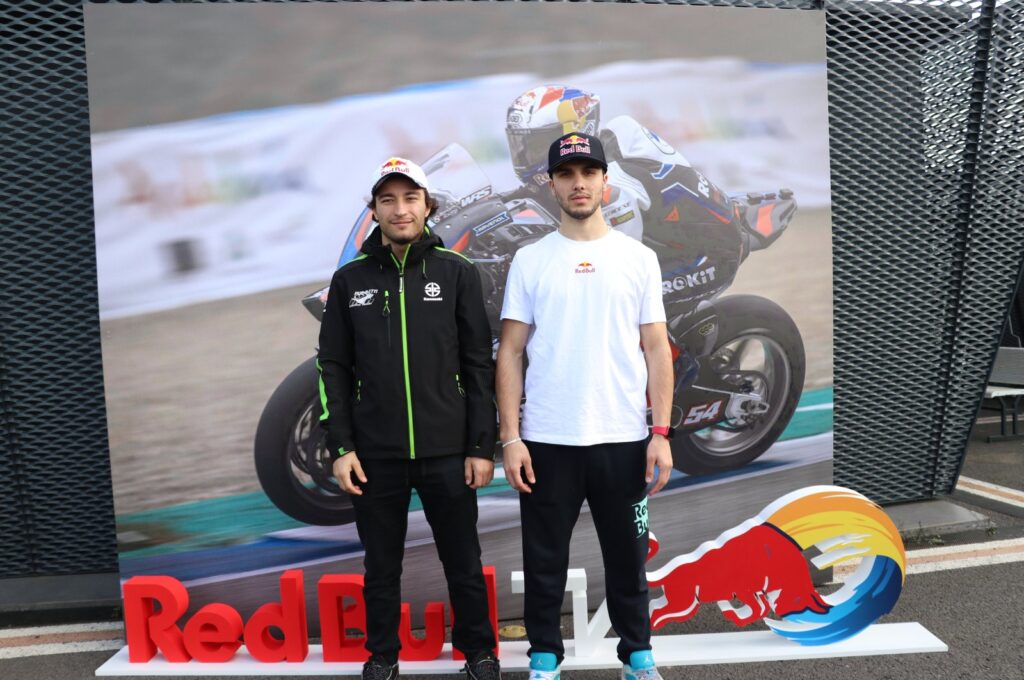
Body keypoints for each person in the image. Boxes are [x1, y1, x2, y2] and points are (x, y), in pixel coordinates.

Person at [496, 132, 675, 680]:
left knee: (628, 558)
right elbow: (510, 352)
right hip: (548, 438)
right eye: (567, 174)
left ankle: (638, 657)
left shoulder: (638, 258)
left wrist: (661, 432)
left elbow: (655, 348)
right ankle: (545, 659)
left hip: (622, 437)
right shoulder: (530, 260)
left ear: (604, 180)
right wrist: (510, 437)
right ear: (551, 184)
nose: (579, 183)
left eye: (588, 172)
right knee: (543, 561)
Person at [317, 157, 500, 680]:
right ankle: (382, 657)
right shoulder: (349, 280)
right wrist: (342, 448)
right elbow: (331, 365)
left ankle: (480, 654)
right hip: (376, 456)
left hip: (448, 453)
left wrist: (479, 447)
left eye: (410, 198)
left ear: (428, 205)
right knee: (381, 569)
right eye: (388, 200)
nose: (400, 209)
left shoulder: (458, 272)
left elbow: (477, 364)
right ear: (373, 211)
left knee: (463, 562)